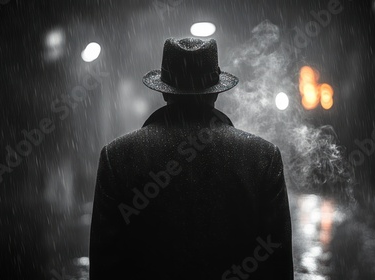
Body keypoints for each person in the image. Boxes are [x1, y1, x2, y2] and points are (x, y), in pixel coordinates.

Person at [89, 37, 293, 280]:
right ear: (215, 94)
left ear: (164, 92)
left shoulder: (117, 157)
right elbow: (277, 268)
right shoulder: (262, 157)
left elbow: (105, 267)